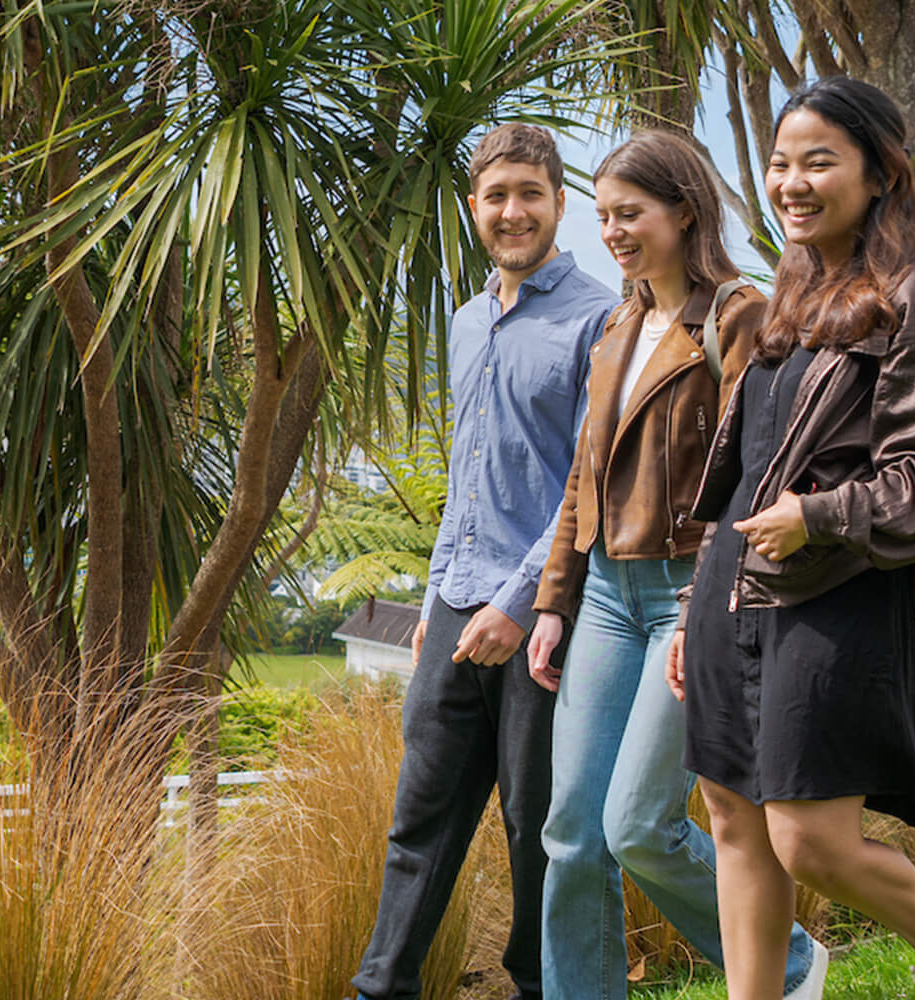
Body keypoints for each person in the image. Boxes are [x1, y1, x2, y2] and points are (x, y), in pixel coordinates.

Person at [667, 77, 915, 1000]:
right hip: (734, 587)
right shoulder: (792, 291)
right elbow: (743, 473)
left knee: (809, 839)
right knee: (733, 820)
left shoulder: (914, 295)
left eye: (820, 161)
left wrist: (819, 516)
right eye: (780, 163)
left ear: (879, 172)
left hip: (834, 592)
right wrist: (698, 600)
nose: (793, 182)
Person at [524, 131, 826, 1000]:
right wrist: (555, 603)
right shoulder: (617, 324)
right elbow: (585, 479)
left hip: (692, 592)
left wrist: (709, 598)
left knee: (638, 827)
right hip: (607, 598)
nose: (613, 231)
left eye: (632, 214)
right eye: (605, 216)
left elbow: (758, 470)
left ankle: (790, 962)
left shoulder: (738, 315)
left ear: (683, 211)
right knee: (571, 831)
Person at [342, 122, 613, 1000]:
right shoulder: (466, 322)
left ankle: (542, 989)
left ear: (560, 203)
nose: (513, 211)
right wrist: (437, 598)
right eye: (496, 196)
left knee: (539, 830)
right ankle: (382, 988)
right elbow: (469, 477)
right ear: (473, 209)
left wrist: (518, 599)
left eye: (530, 193)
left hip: (545, 617)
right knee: (418, 820)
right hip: (458, 606)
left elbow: (586, 479)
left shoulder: (597, 318)